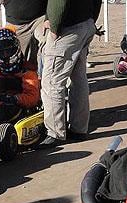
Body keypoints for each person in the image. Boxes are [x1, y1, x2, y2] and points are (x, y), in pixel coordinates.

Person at [38, 0, 102, 147]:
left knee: (52, 82)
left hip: (68, 29)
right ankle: (78, 129)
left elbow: (59, 2)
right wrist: (92, 19)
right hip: (86, 23)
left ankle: (55, 133)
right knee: (78, 79)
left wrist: (54, 26)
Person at [3, 0, 47, 70]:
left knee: (48, 43)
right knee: (16, 62)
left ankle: (45, 77)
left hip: (40, 17)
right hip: (16, 21)